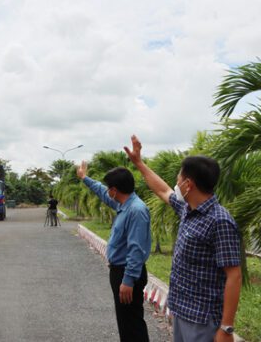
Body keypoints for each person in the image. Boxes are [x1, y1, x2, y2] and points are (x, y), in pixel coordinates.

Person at [124, 135, 242, 342]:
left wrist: (226, 328)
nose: (176, 183)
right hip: (181, 310)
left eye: (179, 178)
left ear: (188, 184)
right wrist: (139, 163)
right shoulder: (188, 209)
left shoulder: (220, 221)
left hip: (202, 320)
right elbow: (163, 190)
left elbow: (234, 275)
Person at [76, 161, 151, 342]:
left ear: (115, 190)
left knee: (132, 324)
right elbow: (101, 191)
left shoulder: (136, 210)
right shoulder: (124, 204)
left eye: (109, 188)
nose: (107, 191)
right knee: (125, 322)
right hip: (120, 271)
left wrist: (128, 280)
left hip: (127, 273)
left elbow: (136, 249)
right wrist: (84, 178)